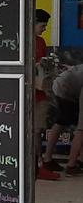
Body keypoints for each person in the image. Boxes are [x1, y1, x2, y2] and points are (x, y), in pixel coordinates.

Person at [32, 9, 60, 180]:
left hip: (40, 93)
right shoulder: (23, 42)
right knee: (33, 131)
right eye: (42, 26)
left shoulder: (41, 42)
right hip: (30, 94)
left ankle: (38, 164)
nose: (44, 29)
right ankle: (36, 166)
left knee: (38, 130)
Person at [43, 64, 83, 176]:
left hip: (62, 83)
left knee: (61, 122)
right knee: (81, 129)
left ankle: (47, 159)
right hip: (67, 88)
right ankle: (72, 165)